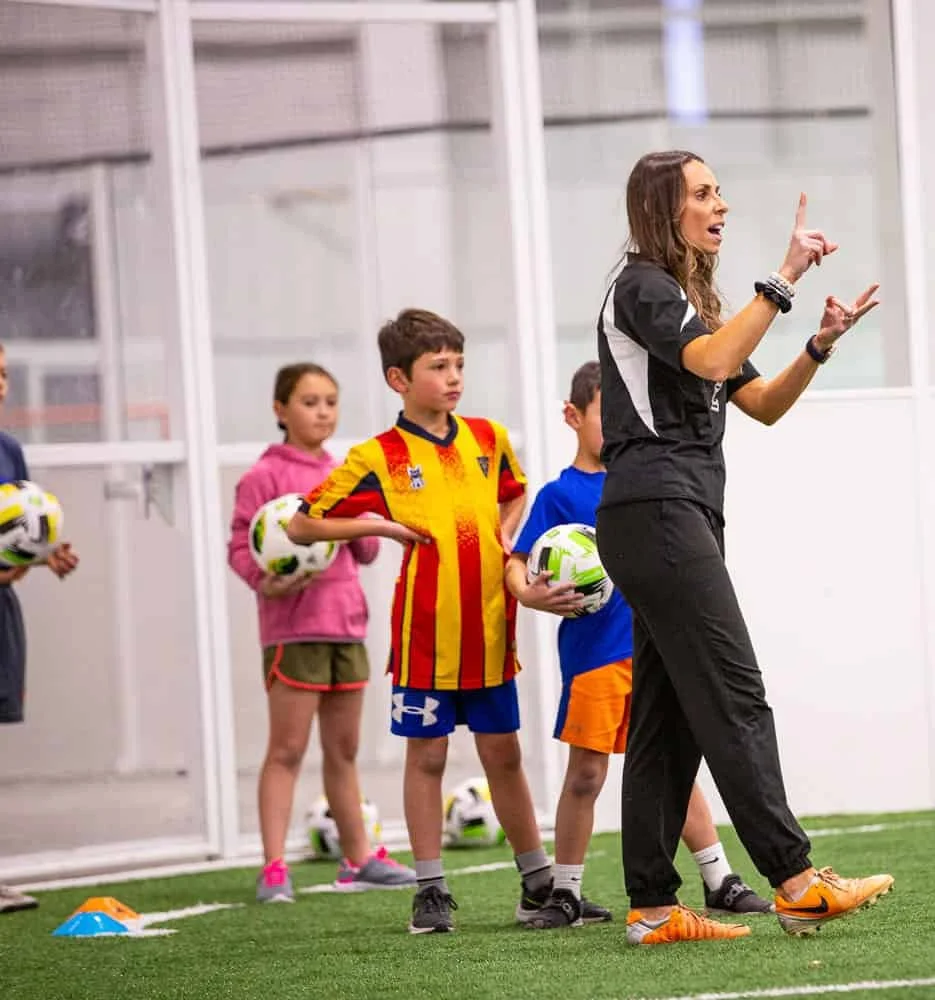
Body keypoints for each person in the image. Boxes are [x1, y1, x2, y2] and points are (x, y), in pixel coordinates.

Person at [593, 149, 893, 944]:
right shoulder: (642, 288)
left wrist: (819, 344)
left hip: (672, 513)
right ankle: (794, 880)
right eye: (701, 193)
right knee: (733, 692)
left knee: (670, 719)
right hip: (656, 511)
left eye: (718, 190)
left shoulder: (690, 299)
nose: (718, 204)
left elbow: (758, 400)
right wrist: (784, 278)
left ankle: (653, 908)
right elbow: (715, 361)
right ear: (663, 211)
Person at [287, 309, 561, 934]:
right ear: (398, 379)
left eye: (458, 364)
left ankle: (538, 883)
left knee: (505, 757)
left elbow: (515, 490)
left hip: (491, 632)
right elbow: (303, 522)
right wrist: (378, 525)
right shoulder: (377, 455)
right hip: (423, 641)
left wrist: (505, 533)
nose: (453, 376)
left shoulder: (488, 437)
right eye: (438, 366)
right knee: (428, 758)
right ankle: (431, 891)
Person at [506, 360, 772, 930]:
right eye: (609, 413)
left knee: (674, 767)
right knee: (586, 774)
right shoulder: (559, 494)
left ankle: (719, 878)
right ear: (573, 416)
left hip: (655, 650)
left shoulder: (646, 486)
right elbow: (517, 562)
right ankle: (566, 893)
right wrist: (528, 596)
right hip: (594, 655)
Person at [228, 362, 416, 901]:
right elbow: (241, 546)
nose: (322, 412)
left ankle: (359, 859)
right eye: (309, 402)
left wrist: (368, 514)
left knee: (345, 750)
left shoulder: (342, 471)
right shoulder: (263, 476)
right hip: (293, 631)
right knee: (286, 749)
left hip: (346, 628)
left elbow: (367, 549)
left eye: (330, 402)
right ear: (280, 410)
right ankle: (273, 868)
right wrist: (268, 580)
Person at [0, 342, 79, 914]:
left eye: (3, 372)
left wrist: (40, 557)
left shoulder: (9, 450)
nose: (0, 383)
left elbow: (17, 544)